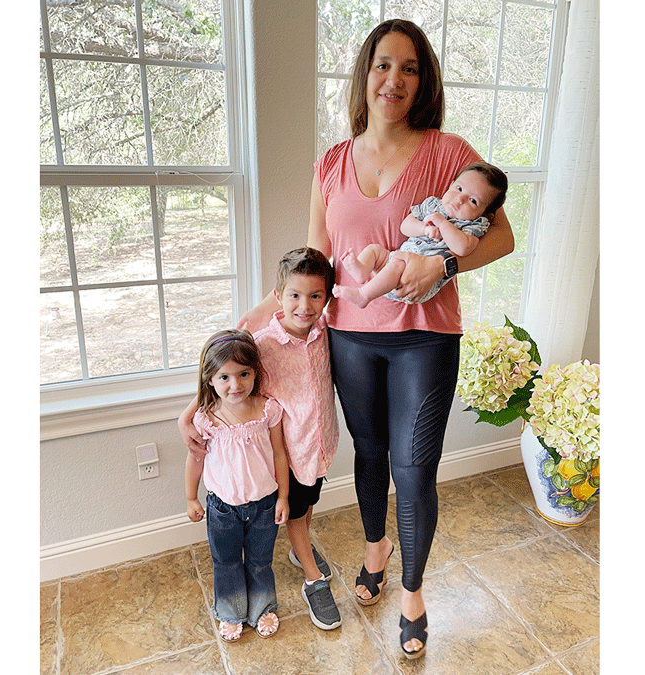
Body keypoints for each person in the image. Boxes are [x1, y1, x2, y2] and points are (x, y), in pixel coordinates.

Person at [237, 19, 515, 659]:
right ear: (365, 74)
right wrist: (247, 323)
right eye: (383, 65)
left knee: (413, 471)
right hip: (351, 339)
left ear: (424, 81)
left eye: (410, 67)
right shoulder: (331, 162)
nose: (395, 79)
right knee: (368, 453)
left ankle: (413, 595)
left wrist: (442, 264)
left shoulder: (450, 153)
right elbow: (314, 263)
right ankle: (374, 549)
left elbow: (500, 238)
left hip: (424, 339)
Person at [181, 247, 343, 632]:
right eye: (294, 296)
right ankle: (311, 578)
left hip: (318, 444)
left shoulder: (326, 332)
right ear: (278, 294)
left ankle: (298, 552)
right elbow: (223, 370)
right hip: (282, 450)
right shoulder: (263, 343)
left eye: (315, 296)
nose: (304, 306)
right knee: (297, 513)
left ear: (326, 297)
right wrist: (187, 414)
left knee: (306, 505)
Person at [184, 329, 290, 642]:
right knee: (227, 563)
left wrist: (284, 496)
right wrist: (191, 497)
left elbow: (280, 455)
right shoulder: (205, 418)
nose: (236, 385)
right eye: (225, 377)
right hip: (222, 509)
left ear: (256, 372)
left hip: (264, 505)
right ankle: (231, 610)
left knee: (260, 562)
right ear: (210, 381)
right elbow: (195, 460)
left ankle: (262, 606)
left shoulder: (268, 410)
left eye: (244, 374)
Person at [332, 161, 508, 309]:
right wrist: (424, 228)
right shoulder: (433, 205)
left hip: (421, 281)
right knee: (375, 250)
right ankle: (362, 270)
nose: (459, 199)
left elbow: (463, 248)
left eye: (473, 200)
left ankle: (363, 295)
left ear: (485, 214)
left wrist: (442, 223)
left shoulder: (472, 225)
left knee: (398, 263)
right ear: (451, 184)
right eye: (459, 188)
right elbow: (405, 226)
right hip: (395, 260)